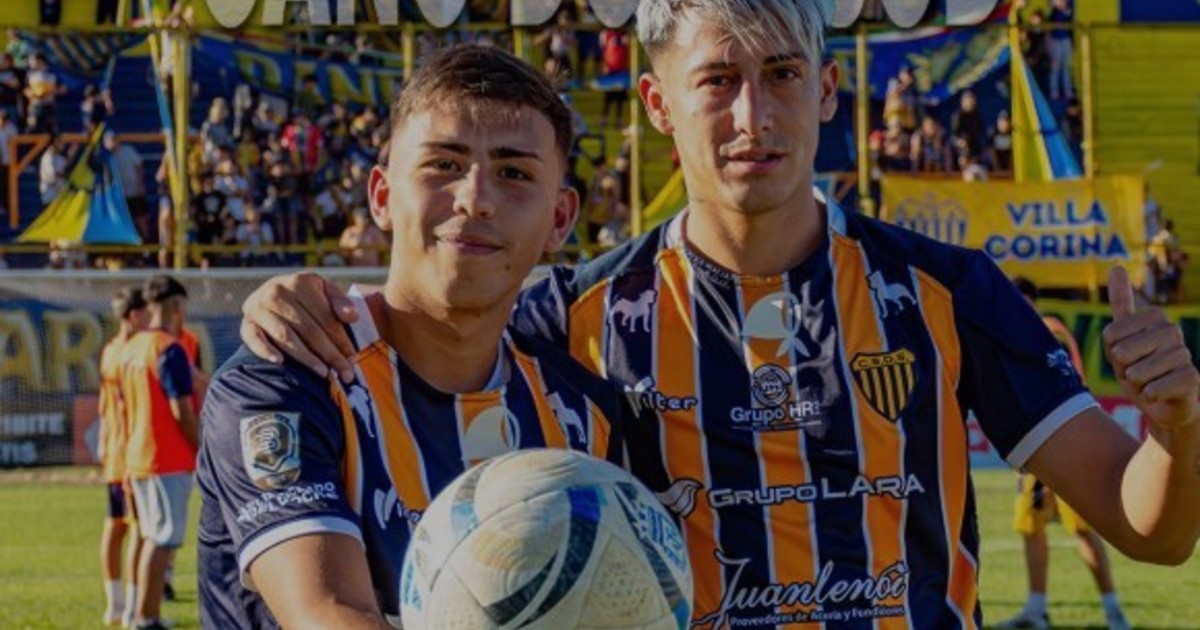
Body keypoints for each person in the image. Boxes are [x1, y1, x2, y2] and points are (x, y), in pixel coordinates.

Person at [242, 2, 1200, 627]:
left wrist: (1177, 430)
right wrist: (299, 301)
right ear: (659, 103)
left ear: (827, 90)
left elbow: (1153, 532)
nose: (753, 116)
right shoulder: (572, 315)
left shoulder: (947, 291)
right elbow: (433, 326)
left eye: (782, 74)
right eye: (717, 81)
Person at [196, 45, 628, 629]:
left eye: (514, 173)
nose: (475, 199)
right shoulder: (284, 378)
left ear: (560, 219)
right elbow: (331, 614)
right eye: (443, 165)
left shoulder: (583, 411)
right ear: (381, 196)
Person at [996, 278, 1131, 630]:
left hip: (1061, 443)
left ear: (1032, 301)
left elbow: (1065, 385)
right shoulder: (1016, 332)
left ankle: (1113, 610)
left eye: (1021, 300)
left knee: (1083, 528)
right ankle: (1036, 609)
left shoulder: (1047, 332)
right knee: (1030, 527)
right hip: (1035, 447)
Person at [119, 275, 198, 630]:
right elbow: (181, 410)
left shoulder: (133, 347)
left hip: (138, 455)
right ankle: (146, 617)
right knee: (163, 539)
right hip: (166, 457)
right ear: (177, 306)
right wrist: (202, 448)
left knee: (152, 536)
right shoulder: (169, 348)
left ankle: (141, 612)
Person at [97, 287, 149, 626]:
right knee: (139, 531)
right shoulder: (134, 353)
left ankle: (114, 605)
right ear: (134, 315)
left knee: (115, 527)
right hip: (132, 453)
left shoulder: (109, 351)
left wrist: (104, 443)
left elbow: (105, 406)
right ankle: (133, 607)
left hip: (114, 454)